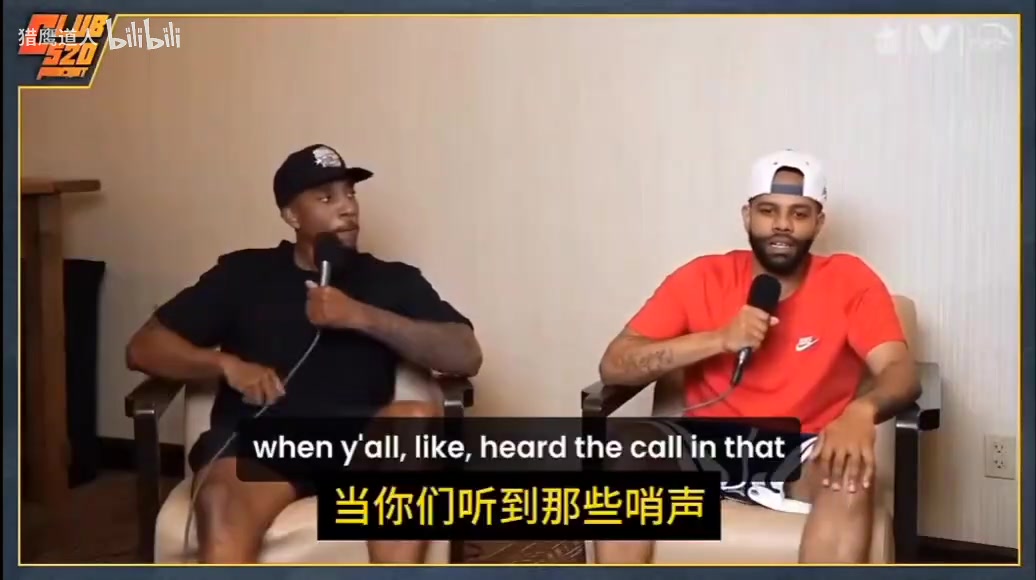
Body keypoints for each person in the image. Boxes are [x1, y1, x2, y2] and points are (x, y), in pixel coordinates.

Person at [125, 144, 482, 564]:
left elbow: (465, 355)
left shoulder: (392, 280)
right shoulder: (243, 274)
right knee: (222, 502)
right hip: (259, 449)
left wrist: (361, 316)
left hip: (359, 447)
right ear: (292, 216)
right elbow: (143, 348)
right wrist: (225, 364)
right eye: (327, 198)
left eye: (350, 194)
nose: (348, 208)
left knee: (413, 418)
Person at [594, 150, 920, 564]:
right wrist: (718, 340)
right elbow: (614, 364)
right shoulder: (701, 277)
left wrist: (861, 411)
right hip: (704, 445)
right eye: (768, 210)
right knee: (627, 449)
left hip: (803, 450)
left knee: (848, 471)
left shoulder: (849, 280)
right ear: (747, 216)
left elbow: (899, 370)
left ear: (818, 222)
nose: (782, 224)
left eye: (799, 213)